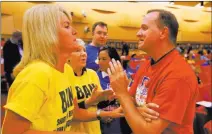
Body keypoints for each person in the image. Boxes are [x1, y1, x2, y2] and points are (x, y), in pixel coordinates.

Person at [2, 4, 122, 134]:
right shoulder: (36, 74)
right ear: (48, 34)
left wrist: (105, 112)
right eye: (66, 26)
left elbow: (73, 113)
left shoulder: (66, 69)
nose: (75, 31)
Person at [107, 9, 199, 134]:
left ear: (163, 33)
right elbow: (129, 102)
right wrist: (137, 109)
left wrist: (122, 94)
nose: (138, 33)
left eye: (144, 28)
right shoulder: (147, 64)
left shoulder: (178, 76)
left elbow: (147, 131)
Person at [65, 45, 121, 134]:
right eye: (77, 50)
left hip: (94, 129)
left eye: (84, 50)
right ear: (67, 56)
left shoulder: (92, 74)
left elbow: (98, 103)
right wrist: (90, 101)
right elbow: (68, 111)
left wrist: (108, 99)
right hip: (73, 130)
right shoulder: (64, 77)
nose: (83, 53)